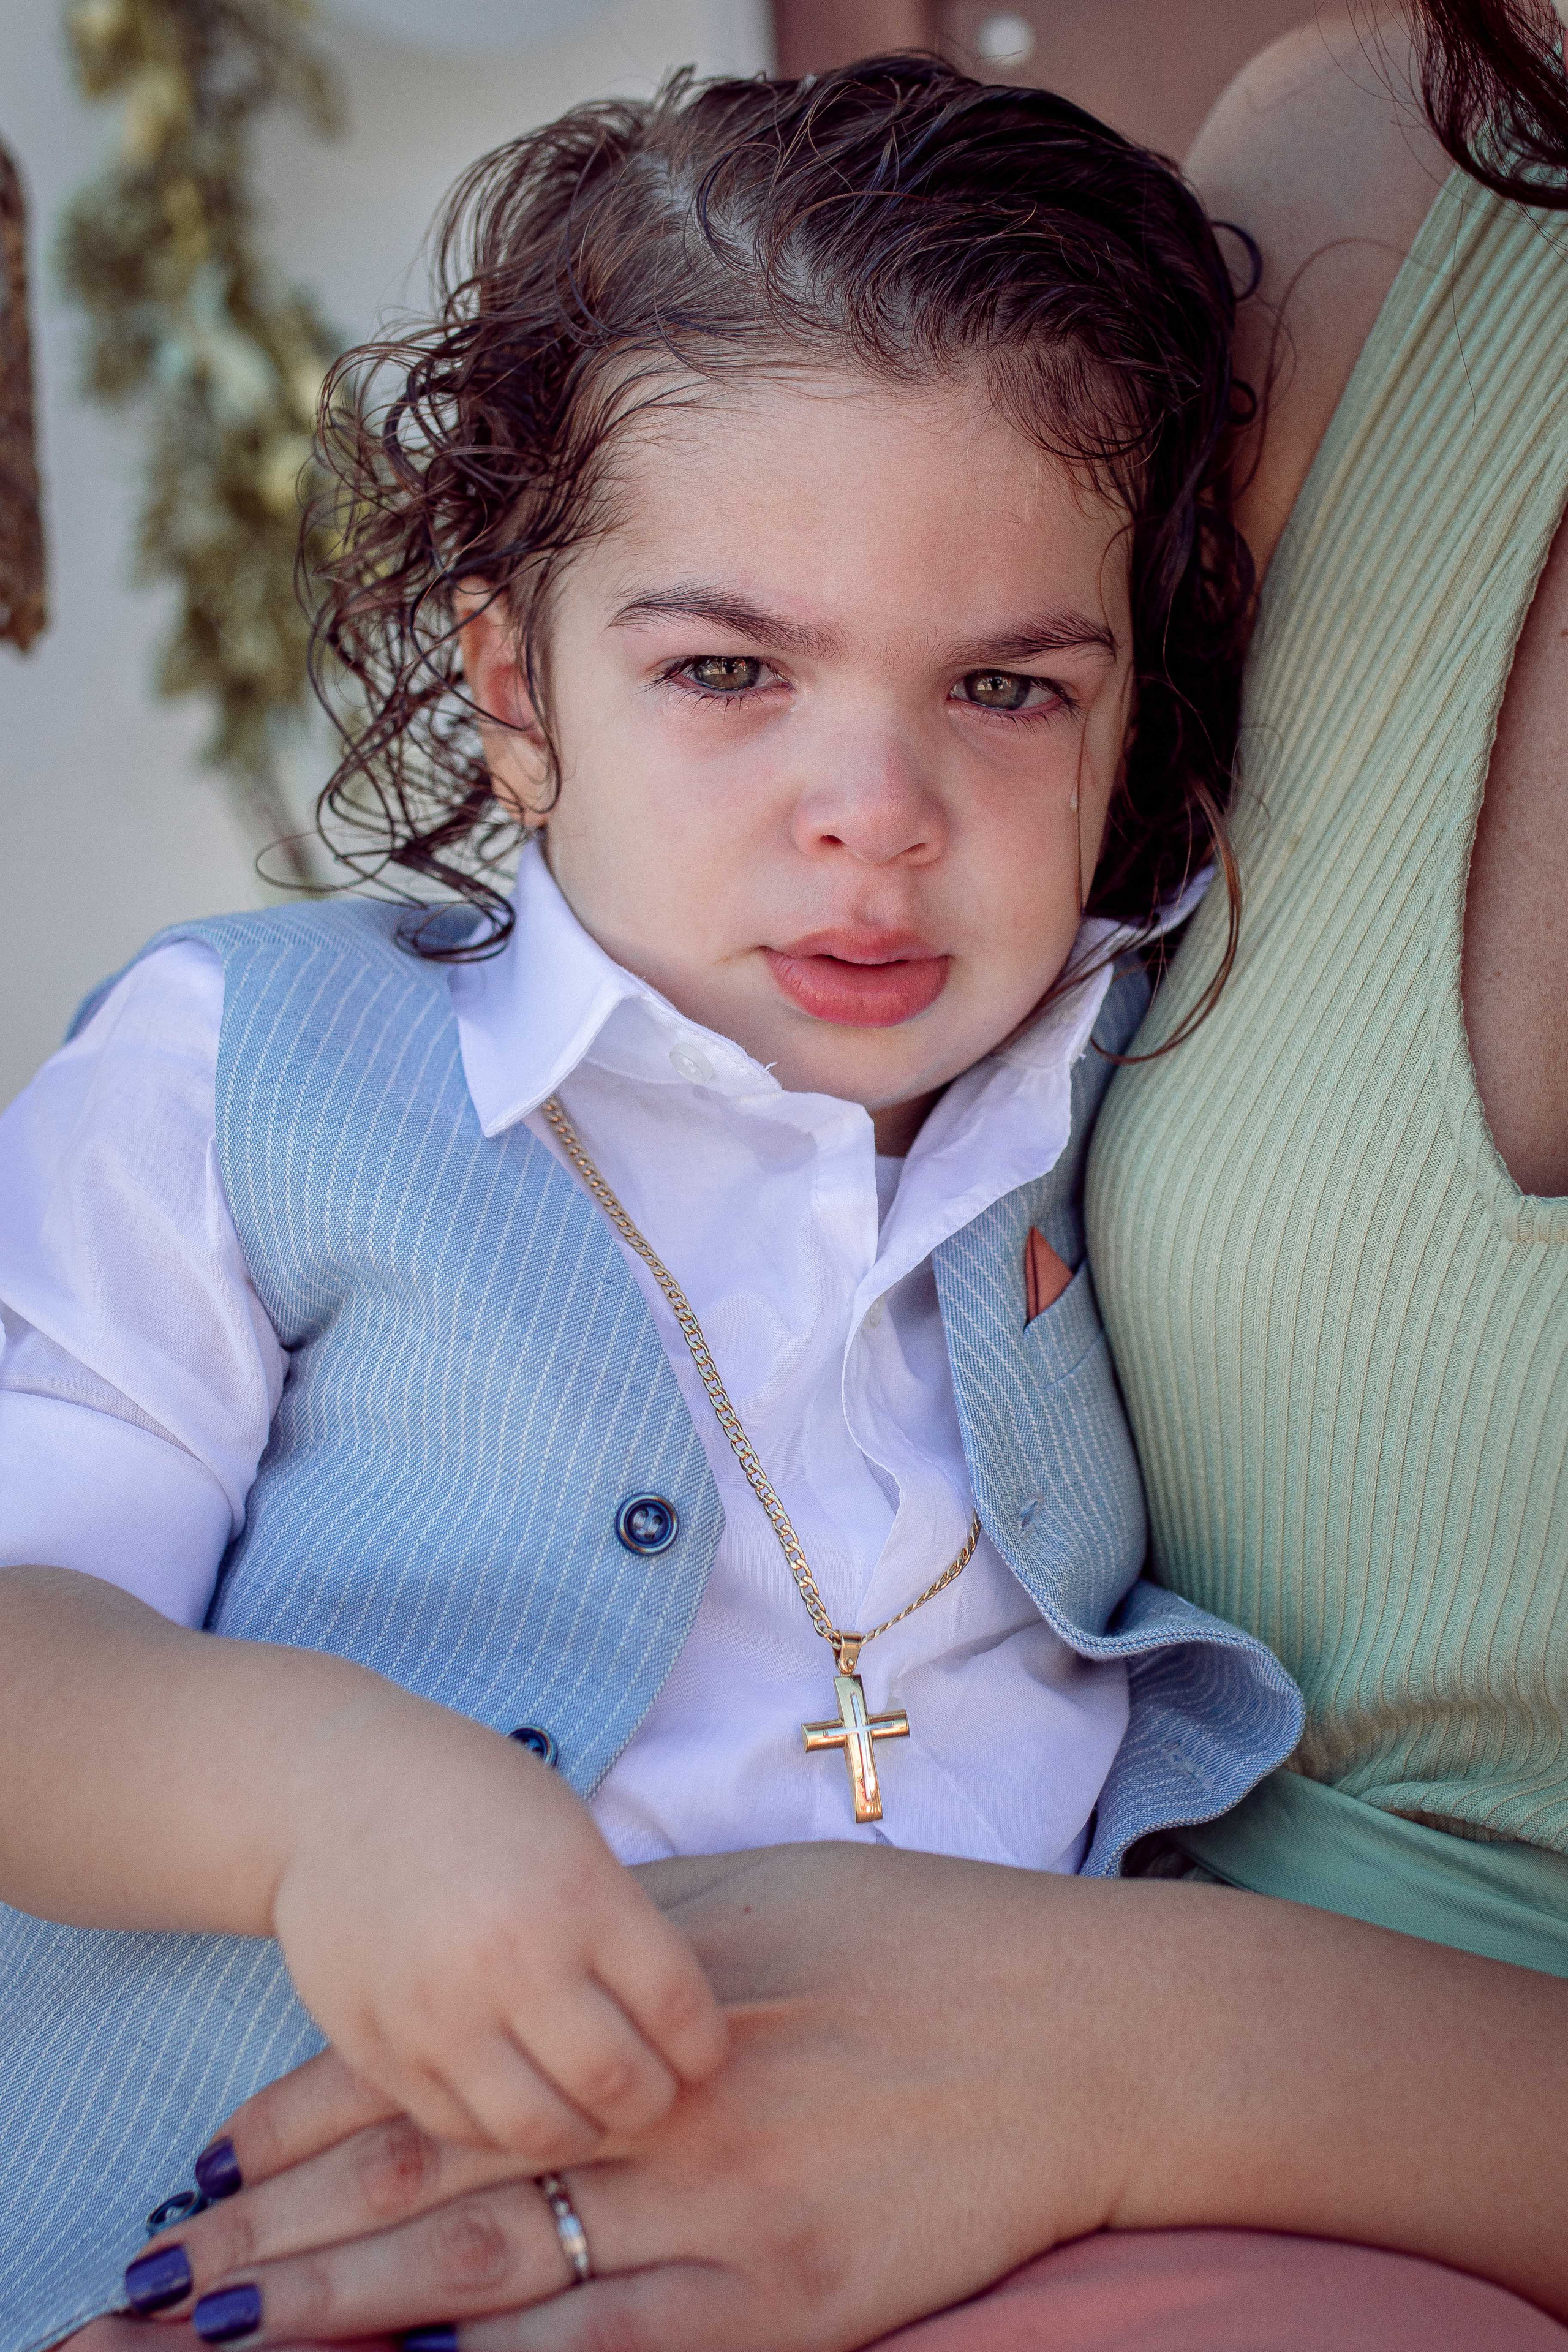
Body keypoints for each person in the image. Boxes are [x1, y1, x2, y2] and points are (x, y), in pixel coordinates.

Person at [75, 5, 1568, 2348]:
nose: (872, 807)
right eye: (727, 673)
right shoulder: (252, 1076)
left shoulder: (1082, 1088)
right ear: (512, 682)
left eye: (1006, 693)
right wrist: (319, 1803)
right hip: (257, 2248)